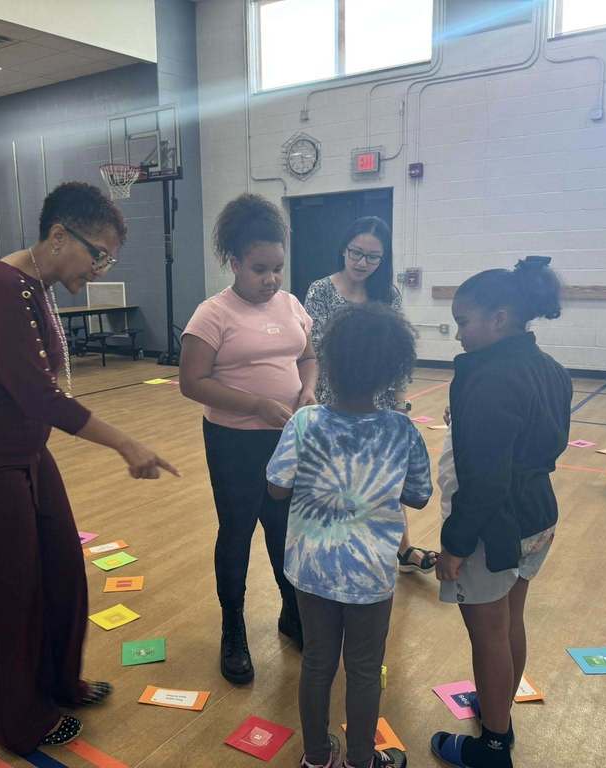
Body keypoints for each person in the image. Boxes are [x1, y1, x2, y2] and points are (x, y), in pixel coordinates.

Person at [0, 182, 178, 755]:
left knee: (60, 569)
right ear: (59, 235)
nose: (101, 265)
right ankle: (19, 722)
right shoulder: (2, 287)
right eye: (98, 253)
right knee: (6, 595)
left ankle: (59, 682)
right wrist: (127, 444)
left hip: (23, 453)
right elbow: (42, 399)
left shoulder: (24, 283)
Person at [266, 302, 431, 768]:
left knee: (317, 663)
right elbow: (418, 496)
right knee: (363, 671)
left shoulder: (305, 422)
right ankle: (362, 759)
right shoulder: (402, 430)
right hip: (370, 577)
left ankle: (316, 757)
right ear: (392, 373)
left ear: (330, 364)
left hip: (311, 569)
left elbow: (276, 488)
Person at [430, 257, 572, 768]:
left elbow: (485, 483)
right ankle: (498, 714)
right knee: (512, 619)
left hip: (495, 528)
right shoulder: (551, 370)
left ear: (500, 318)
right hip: (539, 518)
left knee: (488, 633)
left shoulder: (486, 379)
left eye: (464, 321)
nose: (459, 333)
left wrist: (454, 546)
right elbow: (538, 436)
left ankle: (492, 746)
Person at [179, 193, 318, 685]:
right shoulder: (212, 314)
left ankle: (290, 613)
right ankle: (233, 628)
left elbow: (308, 355)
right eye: (260, 269)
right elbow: (192, 383)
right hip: (235, 441)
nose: (271, 279)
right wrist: (258, 405)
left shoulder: (292, 304)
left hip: (287, 440)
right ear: (234, 262)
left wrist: (307, 390)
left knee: (284, 532)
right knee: (238, 532)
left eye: (277, 268)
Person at [303, 216, 435, 577]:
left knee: (383, 479)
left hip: (376, 405)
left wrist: (398, 403)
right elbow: (314, 350)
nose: (362, 263)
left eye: (372, 257)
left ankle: (402, 549)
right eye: (356, 253)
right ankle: (337, 546)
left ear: (383, 259)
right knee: (338, 481)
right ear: (344, 250)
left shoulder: (387, 294)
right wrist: (311, 393)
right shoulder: (321, 290)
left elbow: (397, 354)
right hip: (335, 401)